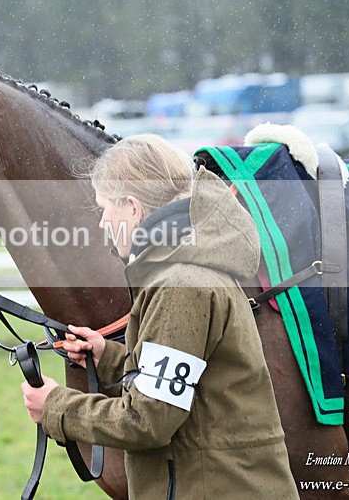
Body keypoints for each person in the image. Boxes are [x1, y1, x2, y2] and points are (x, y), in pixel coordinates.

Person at [21, 134, 298, 498]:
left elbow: (147, 421)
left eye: (105, 209)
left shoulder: (179, 285)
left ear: (133, 209)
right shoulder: (191, 268)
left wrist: (57, 407)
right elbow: (189, 383)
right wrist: (110, 358)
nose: (103, 223)